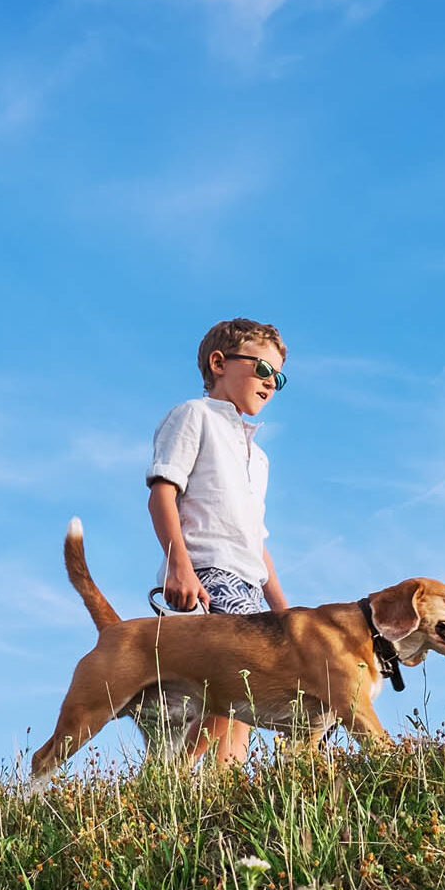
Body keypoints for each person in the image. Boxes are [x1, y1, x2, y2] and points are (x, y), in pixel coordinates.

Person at [145, 317, 291, 766]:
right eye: (263, 370)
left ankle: (220, 792)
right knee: (230, 692)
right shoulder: (194, 415)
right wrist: (179, 566)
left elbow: (255, 541)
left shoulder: (259, 458)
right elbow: (162, 494)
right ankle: (174, 782)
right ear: (219, 363)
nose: (271, 384)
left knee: (244, 700)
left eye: (279, 378)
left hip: (248, 585)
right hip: (207, 574)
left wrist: (284, 612)